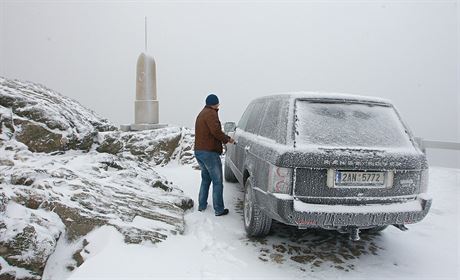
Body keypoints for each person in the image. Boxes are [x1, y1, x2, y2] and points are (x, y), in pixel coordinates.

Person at [194, 93, 235, 216]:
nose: (219, 105)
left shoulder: (202, 113)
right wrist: (228, 139)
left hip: (199, 151)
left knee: (206, 179)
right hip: (209, 153)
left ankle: (202, 205)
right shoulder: (211, 114)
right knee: (217, 182)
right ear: (215, 104)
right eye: (218, 103)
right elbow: (216, 131)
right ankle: (219, 209)